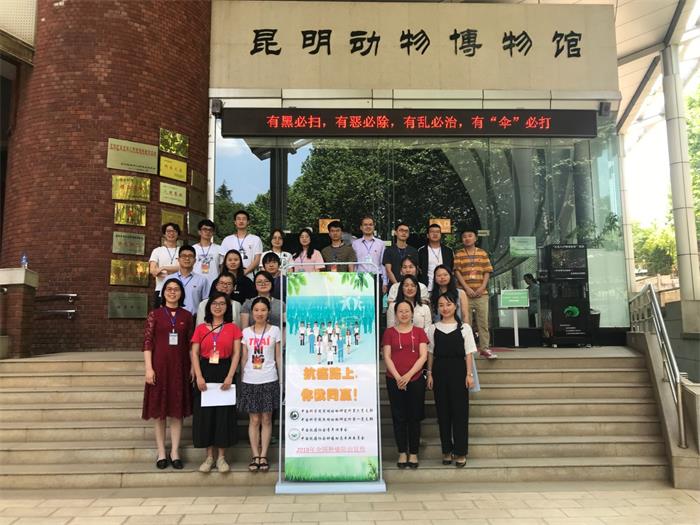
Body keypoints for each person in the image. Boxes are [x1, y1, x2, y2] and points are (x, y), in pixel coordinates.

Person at [141, 278, 192, 470]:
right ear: (163, 293)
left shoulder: (187, 315)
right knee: (159, 413)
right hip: (159, 368)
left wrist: (193, 368)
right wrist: (148, 368)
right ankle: (161, 452)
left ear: (181, 293)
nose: (172, 292)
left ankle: (175, 451)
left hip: (180, 368)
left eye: (176, 289)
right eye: (169, 289)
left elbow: (190, 345)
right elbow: (147, 343)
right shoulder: (155, 314)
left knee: (177, 413)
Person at [190, 292, 242, 473]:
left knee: (223, 415)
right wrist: (199, 376)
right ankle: (209, 457)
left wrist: (230, 376)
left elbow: (237, 353)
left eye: (222, 303)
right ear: (208, 306)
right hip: (205, 372)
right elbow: (194, 353)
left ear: (227, 307)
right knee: (205, 415)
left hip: (225, 371)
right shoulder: (200, 329)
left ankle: (221, 458)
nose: (218, 307)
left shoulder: (233, 328)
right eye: (214, 303)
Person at [426, 292, 477, 468]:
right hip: (439, 371)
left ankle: (461, 452)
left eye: (448, 304)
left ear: (455, 306)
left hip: (459, 371)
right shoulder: (433, 328)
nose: (445, 308)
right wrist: (429, 373)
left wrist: (469, 375)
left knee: (460, 413)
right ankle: (446, 451)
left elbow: (468, 353)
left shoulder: (465, 328)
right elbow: (430, 353)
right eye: (441, 305)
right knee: (443, 413)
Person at [382, 300, 429, 470]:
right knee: (398, 416)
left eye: (407, 311)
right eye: (400, 311)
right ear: (395, 314)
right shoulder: (389, 333)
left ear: (412, 313)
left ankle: (414, 453)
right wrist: (398, 377)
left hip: (415, 379)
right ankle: (402, 452)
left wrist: (408, 376)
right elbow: (387, 356)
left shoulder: (419, 332)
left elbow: (423, 356)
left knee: (414, 416)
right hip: (393, 379)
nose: (404, 314)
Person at [239, 297, 282, 473]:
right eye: (256, 310)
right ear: (251, 312)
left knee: (266, 419)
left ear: (268, 311)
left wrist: (281, 378)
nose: (259, 313)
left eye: (263, 310)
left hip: (269, 378)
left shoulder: (275, 330)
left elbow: (278, 356)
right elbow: (244, 357)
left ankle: (263, 455)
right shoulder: (246, 332)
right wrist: (242, 379)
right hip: (250, 379)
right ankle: (255, 455)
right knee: (254, 419)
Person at [453, 228, 496, 359]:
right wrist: (466, 288)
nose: (467, 238)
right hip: (464, 294)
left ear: (475, 238)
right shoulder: (459, 254)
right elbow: (457, 272)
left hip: (482, 294)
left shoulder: (482, 253)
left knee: (483, 322)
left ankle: (485, 348)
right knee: (466, 323)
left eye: (470, 236)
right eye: (464, 236)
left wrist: (482, 288)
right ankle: (467, 349)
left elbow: (487, 271)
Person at [220, 210, 263, 279]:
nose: (241, 221)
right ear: (235, 222)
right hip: (231, 277)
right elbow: (223, 261)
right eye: (238, 219)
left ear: (248, 222)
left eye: (244, 219)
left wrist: (244, 272)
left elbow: (257, 260)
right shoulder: (227, 240)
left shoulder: (256, 239)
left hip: (250, 276)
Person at [148, 223, 181, 308]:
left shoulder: (181, 251)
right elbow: (153, 270)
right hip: (161, 289)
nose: (171, 233)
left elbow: (181, 268)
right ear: (164, 234)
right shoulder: (157, 251)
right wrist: (173, 272)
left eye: (174, 231)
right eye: (168, 231)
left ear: (178, 234)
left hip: (179, 290)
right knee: (160, 315)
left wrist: (163, 268)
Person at [352, 215, 388, 292]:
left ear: (374, 227)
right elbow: (354, 264)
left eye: (370, 224)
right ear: (361, 227)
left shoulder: (381, 243)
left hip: (377, 277)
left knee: (377, 300)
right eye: (365, 225)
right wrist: (353, 278)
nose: (368, 227)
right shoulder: (355, 244)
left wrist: (385, 282)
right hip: (360, 278)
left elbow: (383, 264)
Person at [172, 245, 208, 317]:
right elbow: (163, 302)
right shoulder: (169, 279)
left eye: (190, 256)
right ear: (178, 259)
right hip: (172, 318)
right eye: (183, 256)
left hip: (194, 318)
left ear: (195, 260)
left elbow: (206, 302)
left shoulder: (202, 280)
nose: (187, 258)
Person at [418, 223, 454, 293]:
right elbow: (419, 269)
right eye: (432, 232)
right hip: (427, 289)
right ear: (428, 235)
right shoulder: (421, 251)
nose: (435, 234)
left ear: (440, 235)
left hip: (445, 289)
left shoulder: (448, 251)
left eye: (437, 232)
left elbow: (451, 269)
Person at [193, 219, 223, 289]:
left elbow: (222, 268)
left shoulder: (219, 248)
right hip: (196, 284)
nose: (208, 232)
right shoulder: (193, 249)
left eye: (210, 230)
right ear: (199, 232)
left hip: (214, 285)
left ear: (213, 232)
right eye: (205, 229)